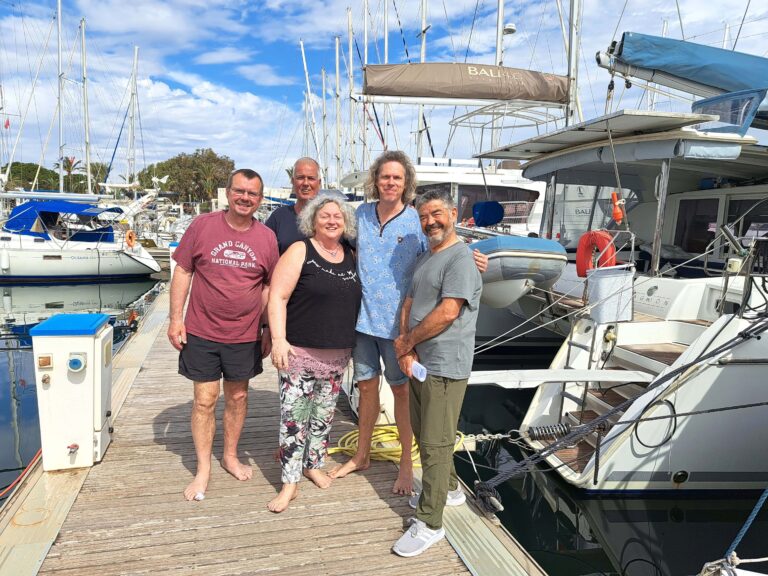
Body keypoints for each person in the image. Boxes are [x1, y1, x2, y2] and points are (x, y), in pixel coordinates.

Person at [330, 151, 487, 495]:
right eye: (385, 177)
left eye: (397, 178)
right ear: (376, 180)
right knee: (367, 388)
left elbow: (444, 244)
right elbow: (341, 246)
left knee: (401, 392)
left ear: (406, 183)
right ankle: (362, 455)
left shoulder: (416, 220)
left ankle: (405, 462)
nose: (390, 183)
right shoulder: (361, 215)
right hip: (363, 321)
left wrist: (472, 256)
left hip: (399, 326)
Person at [168, 168, 279, 502]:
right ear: (228, 193)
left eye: (253, 194)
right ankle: (203, 468)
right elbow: (184, 270)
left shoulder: (266, 237)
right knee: (205, 400)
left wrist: (267, 327)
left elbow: (269, 284)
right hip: (202, 330)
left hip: (244, 335)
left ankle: (230, 454)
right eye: (240, 191)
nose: (245, 198)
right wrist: (175, 318)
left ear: (260, 199)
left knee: (238, 397)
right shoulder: (202, 226)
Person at [391, 188, 482, 557]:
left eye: (436, 214)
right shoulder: (428, 257)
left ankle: (430, 522)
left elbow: (448, 312)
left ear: (452, 213)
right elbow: (410, 302)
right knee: (429, 433)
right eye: (424, 216)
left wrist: (407, 342)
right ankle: (451, 489)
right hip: (420, 361)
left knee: (434, 441)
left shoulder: (460, 258)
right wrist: (405, 345)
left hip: (445, 364)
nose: (430, 222)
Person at [267, 195, 361, 513]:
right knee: (295, 420)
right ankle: (289, 483)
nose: (332, 220)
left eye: (337, 215)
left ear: (345, 221)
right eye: (324, 216)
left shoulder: (350, 254)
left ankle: (313, 465)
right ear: (313, 220)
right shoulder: (300, 250)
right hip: (300, 352)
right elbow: (277, 296)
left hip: (337, 355)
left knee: (322, 417)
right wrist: (278, 339)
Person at [265, 157, 322, 254]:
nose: (305, 183)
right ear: (292, 181)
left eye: (311, 178)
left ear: (319, 183)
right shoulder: (279, 217)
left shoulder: (332, 218)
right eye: (300, 178)